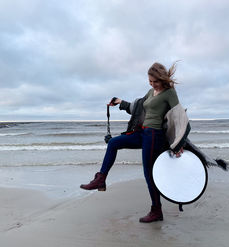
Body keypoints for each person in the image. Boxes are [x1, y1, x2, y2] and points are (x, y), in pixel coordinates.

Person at [80, 62, 189, 223]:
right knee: (114, 143)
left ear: (162, 79)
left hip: (154, 135)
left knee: (148, 172)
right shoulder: (151, 92)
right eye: (150, 81)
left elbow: (179, 117)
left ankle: (156, 210)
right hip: (141, 132)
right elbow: (138, 107)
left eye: (155, 81)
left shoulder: (169, 93)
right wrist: (120, 102)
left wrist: (179, 143)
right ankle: (100, 179)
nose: (152, 84)